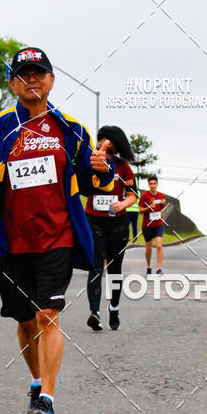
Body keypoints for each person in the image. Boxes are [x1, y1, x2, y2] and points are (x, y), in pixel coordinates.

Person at [0, 45, 114, 414]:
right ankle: (34, 381)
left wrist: (102, 169)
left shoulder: (72, 130)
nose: (33, 81)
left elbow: (97, 182)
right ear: (13, 83)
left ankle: (47, 397)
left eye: (39, 74)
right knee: (26, 320)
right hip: (12, 240)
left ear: (51, 81)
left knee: (48, 315)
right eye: (24, 75)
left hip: (57, 236)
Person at [84, 126, 137, 331]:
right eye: (100, 147)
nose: (104, 152)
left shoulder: (123, 168)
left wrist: (123, 204)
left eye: (110, 149)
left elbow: (133, 194)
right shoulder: (90, 162)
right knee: (96, 266)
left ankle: (113, 308)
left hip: (117, 223)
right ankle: (94, 313)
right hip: (94, 219)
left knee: (114, 269)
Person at [139, 175, 167, 275]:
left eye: (154, 183)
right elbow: (140, 210)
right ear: (148, 184)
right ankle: (149, 266)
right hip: (147, 225)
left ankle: (159, 269)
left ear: (157, 184)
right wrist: (148, 208)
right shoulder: (144, 196)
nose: (152, 185)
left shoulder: (161, 195)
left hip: (158, 223)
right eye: (151, 184)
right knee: (149, 248)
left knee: (159, 245)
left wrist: (163, 203)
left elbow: (162, 207)